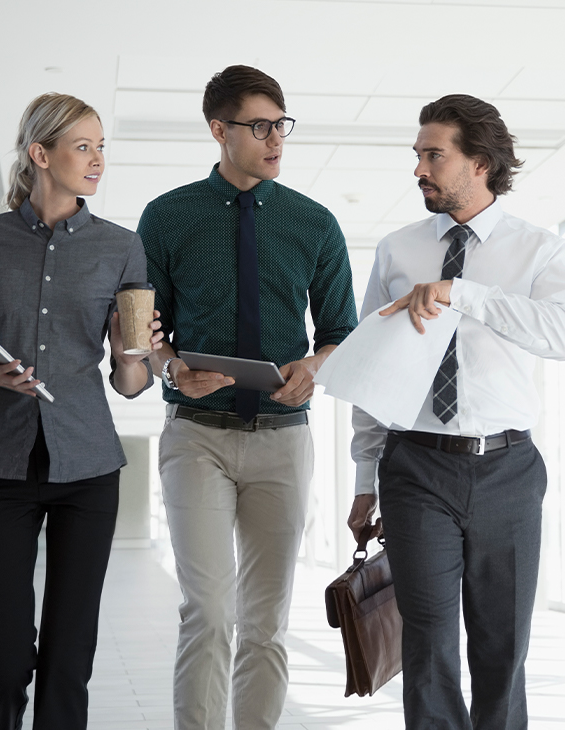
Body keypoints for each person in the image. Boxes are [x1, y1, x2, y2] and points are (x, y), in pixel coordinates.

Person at [0, 92, 162, 730]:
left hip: (90, 468)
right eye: (84, 147)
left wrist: (139, 353)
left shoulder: (122, 248)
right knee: (3, 658)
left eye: (102, 146)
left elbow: (129, 384)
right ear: (40, 154)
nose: (98, 159)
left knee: (70, 659)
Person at [347, 94, 565, 729]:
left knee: (503, 648)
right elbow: (372, 369)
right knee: (428, 647)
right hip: (416, 467)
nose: (419, 169)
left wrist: (464, 294)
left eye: (434, 155)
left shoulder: (539, 251)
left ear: (479, 162)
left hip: (507, 468)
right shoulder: (397, 251)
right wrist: (364, 480)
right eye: (418, 155)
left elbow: (563, 336)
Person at [139, 65, 358, 730]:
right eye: (260, 126)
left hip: (284, 441)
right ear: (219, 130)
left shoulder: (314, 223)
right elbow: (146, 332)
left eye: (281, 126)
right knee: (207, 613)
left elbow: (343, 333)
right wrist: (172, 367)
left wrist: (314, 367)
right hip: (196, 435)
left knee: (265, 620)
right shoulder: (167, 216)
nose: (275, 140)